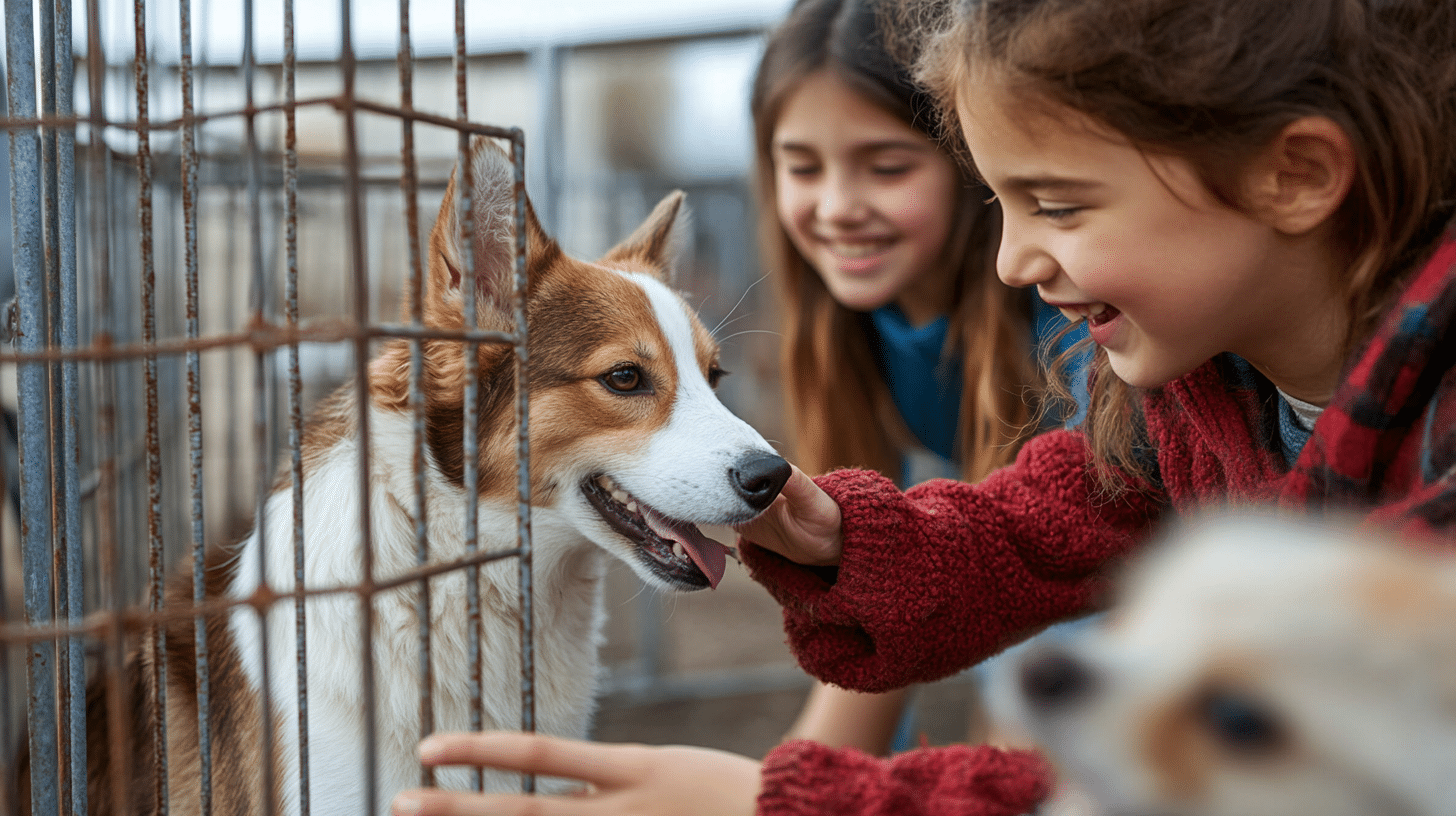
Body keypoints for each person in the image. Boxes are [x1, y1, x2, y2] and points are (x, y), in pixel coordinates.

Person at [389, 0, 1456, 814]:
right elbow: (1033, 526)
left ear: (1296, 175)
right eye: (1000, 204)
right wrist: (845, 535)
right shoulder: (1191, 386)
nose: (1010, 261)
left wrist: (789, 796)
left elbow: (1250, 768)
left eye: (1058, 204)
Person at [747, 0, 1085, 755]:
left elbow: (1083, 564)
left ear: (972, 162)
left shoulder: (1073, 319)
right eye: (802, 166)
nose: (837, 208)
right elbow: (879, 585)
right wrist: (808, 784)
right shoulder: (854, 325)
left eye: (888, 166)